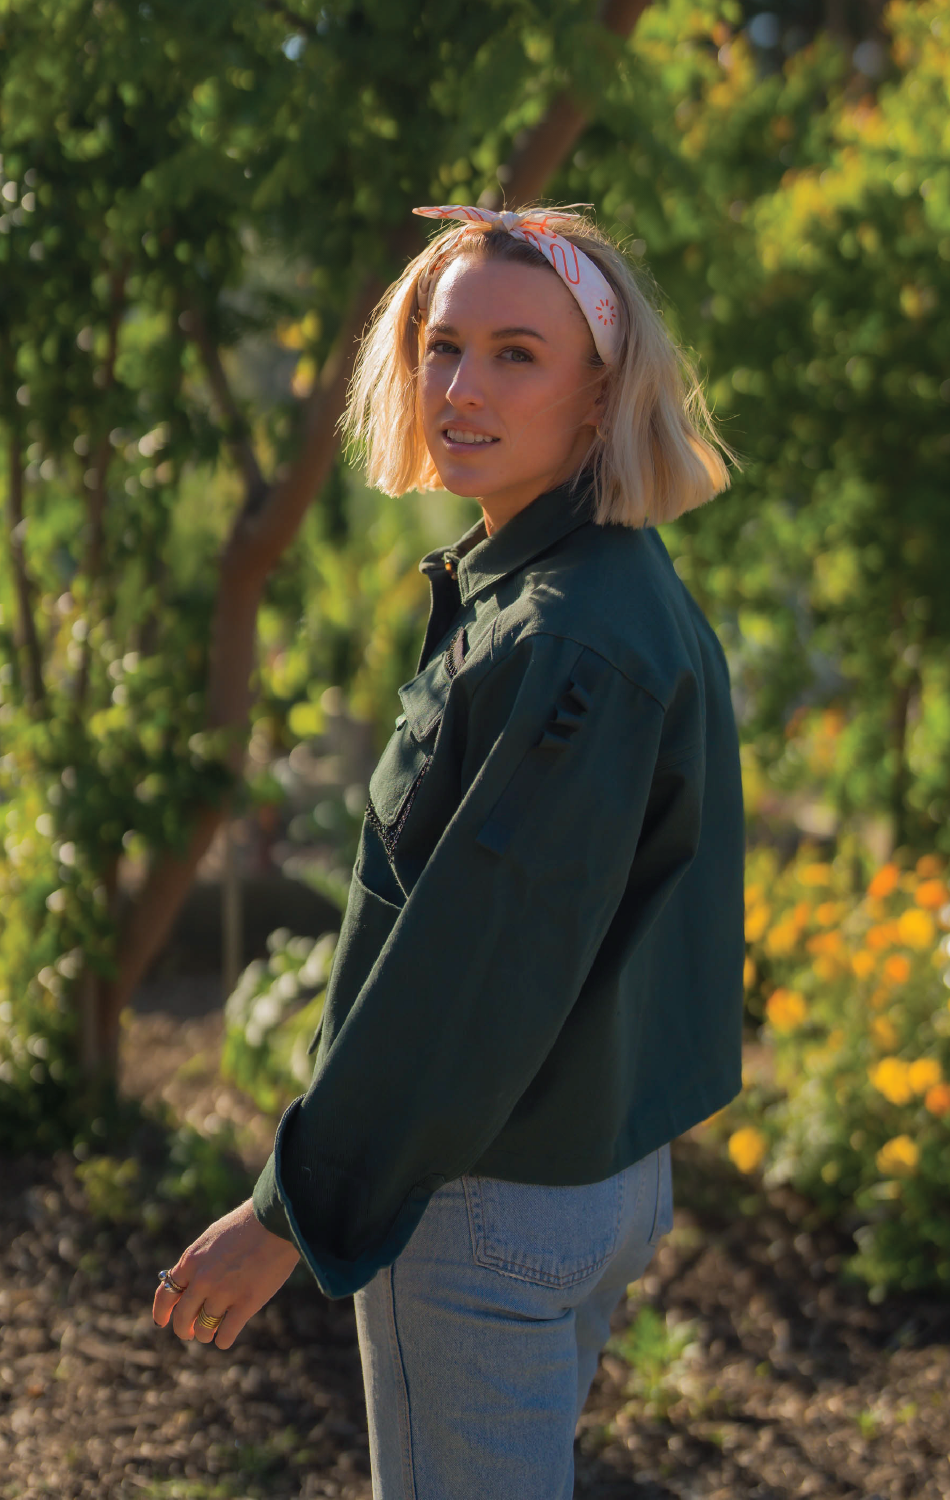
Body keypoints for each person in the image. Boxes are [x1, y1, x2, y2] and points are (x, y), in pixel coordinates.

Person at [153, 204, 746, 1500]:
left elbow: (477, 968)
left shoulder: (568, 638)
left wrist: (286, 1215)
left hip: (488, 1200)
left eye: (517, 354)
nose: (461, 387)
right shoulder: (589, 586)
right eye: (442, 343)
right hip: (593, 1177)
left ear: (600, 396)